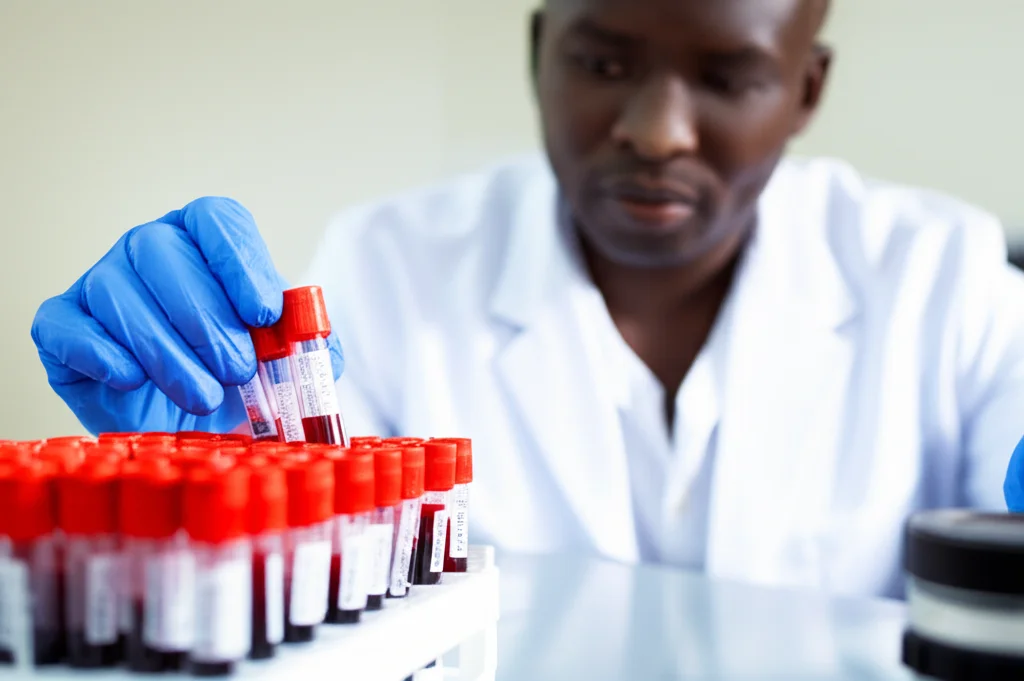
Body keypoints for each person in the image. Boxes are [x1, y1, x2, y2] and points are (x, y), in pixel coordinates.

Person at [30, 0, 1024, 599]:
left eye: (728, 77)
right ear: (537, 50)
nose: (656, 130)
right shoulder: (387, 263)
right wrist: (219, 487)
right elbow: (322, 600)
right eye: (602, 62)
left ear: (805, 88)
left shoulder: (949, 277)